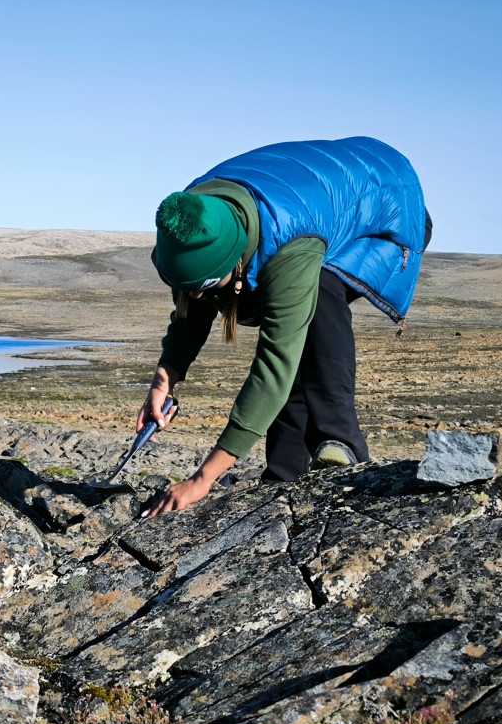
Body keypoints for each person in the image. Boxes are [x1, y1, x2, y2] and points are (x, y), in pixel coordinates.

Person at [139, 136, 432, 518]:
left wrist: (203, 479)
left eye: (208, 287)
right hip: (318, 196)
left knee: (319, 293)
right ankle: (286, 472)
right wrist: (163, 382)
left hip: (389, 206)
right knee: (294, 324)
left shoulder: (292, 243)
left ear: (236, 257)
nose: (196, 298)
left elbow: (275, 363)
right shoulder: (193, 217)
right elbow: (191, 312)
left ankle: (340, 444)